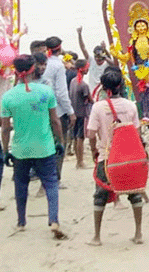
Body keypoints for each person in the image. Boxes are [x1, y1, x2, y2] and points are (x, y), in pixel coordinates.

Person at [1, 55, 66, 239]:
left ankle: (21, 222)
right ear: (33, 69)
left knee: (21, 185)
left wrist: (6, 151)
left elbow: (5, 128)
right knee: (51, 183)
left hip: (21, 149)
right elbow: (55, 120)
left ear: (15, 71)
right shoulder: (46, 91)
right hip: (45, 147)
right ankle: (53, 220)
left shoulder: (8, 97)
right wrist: (59, 141)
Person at [86, 68, 144, 245]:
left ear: (103, 88)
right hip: (130, 157)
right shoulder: (130, 105)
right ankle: (138, 234)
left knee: (100, 196)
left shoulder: (98, 107)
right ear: (121, 86)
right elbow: (137, 131)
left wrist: (94, 151)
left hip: (108, 158)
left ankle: (97, 236)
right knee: (134, 194)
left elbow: (90, 134)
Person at [41, 36, 75, 186]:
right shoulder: (58, 66)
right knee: (60, 143)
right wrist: (71, 111)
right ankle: (55, 178)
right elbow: (62, 93)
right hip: (57, 110)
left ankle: (44, 176)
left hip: (41, 108)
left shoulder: (42, 64)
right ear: (59, 48)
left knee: (45, 144)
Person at [68, 59, 92, 169]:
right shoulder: (83, 85)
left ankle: (78, 161)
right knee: (80, 138)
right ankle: (80, 162)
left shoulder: (73, 82)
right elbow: (90, 99)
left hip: (73, 112)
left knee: (75, 136)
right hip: (81, 113)